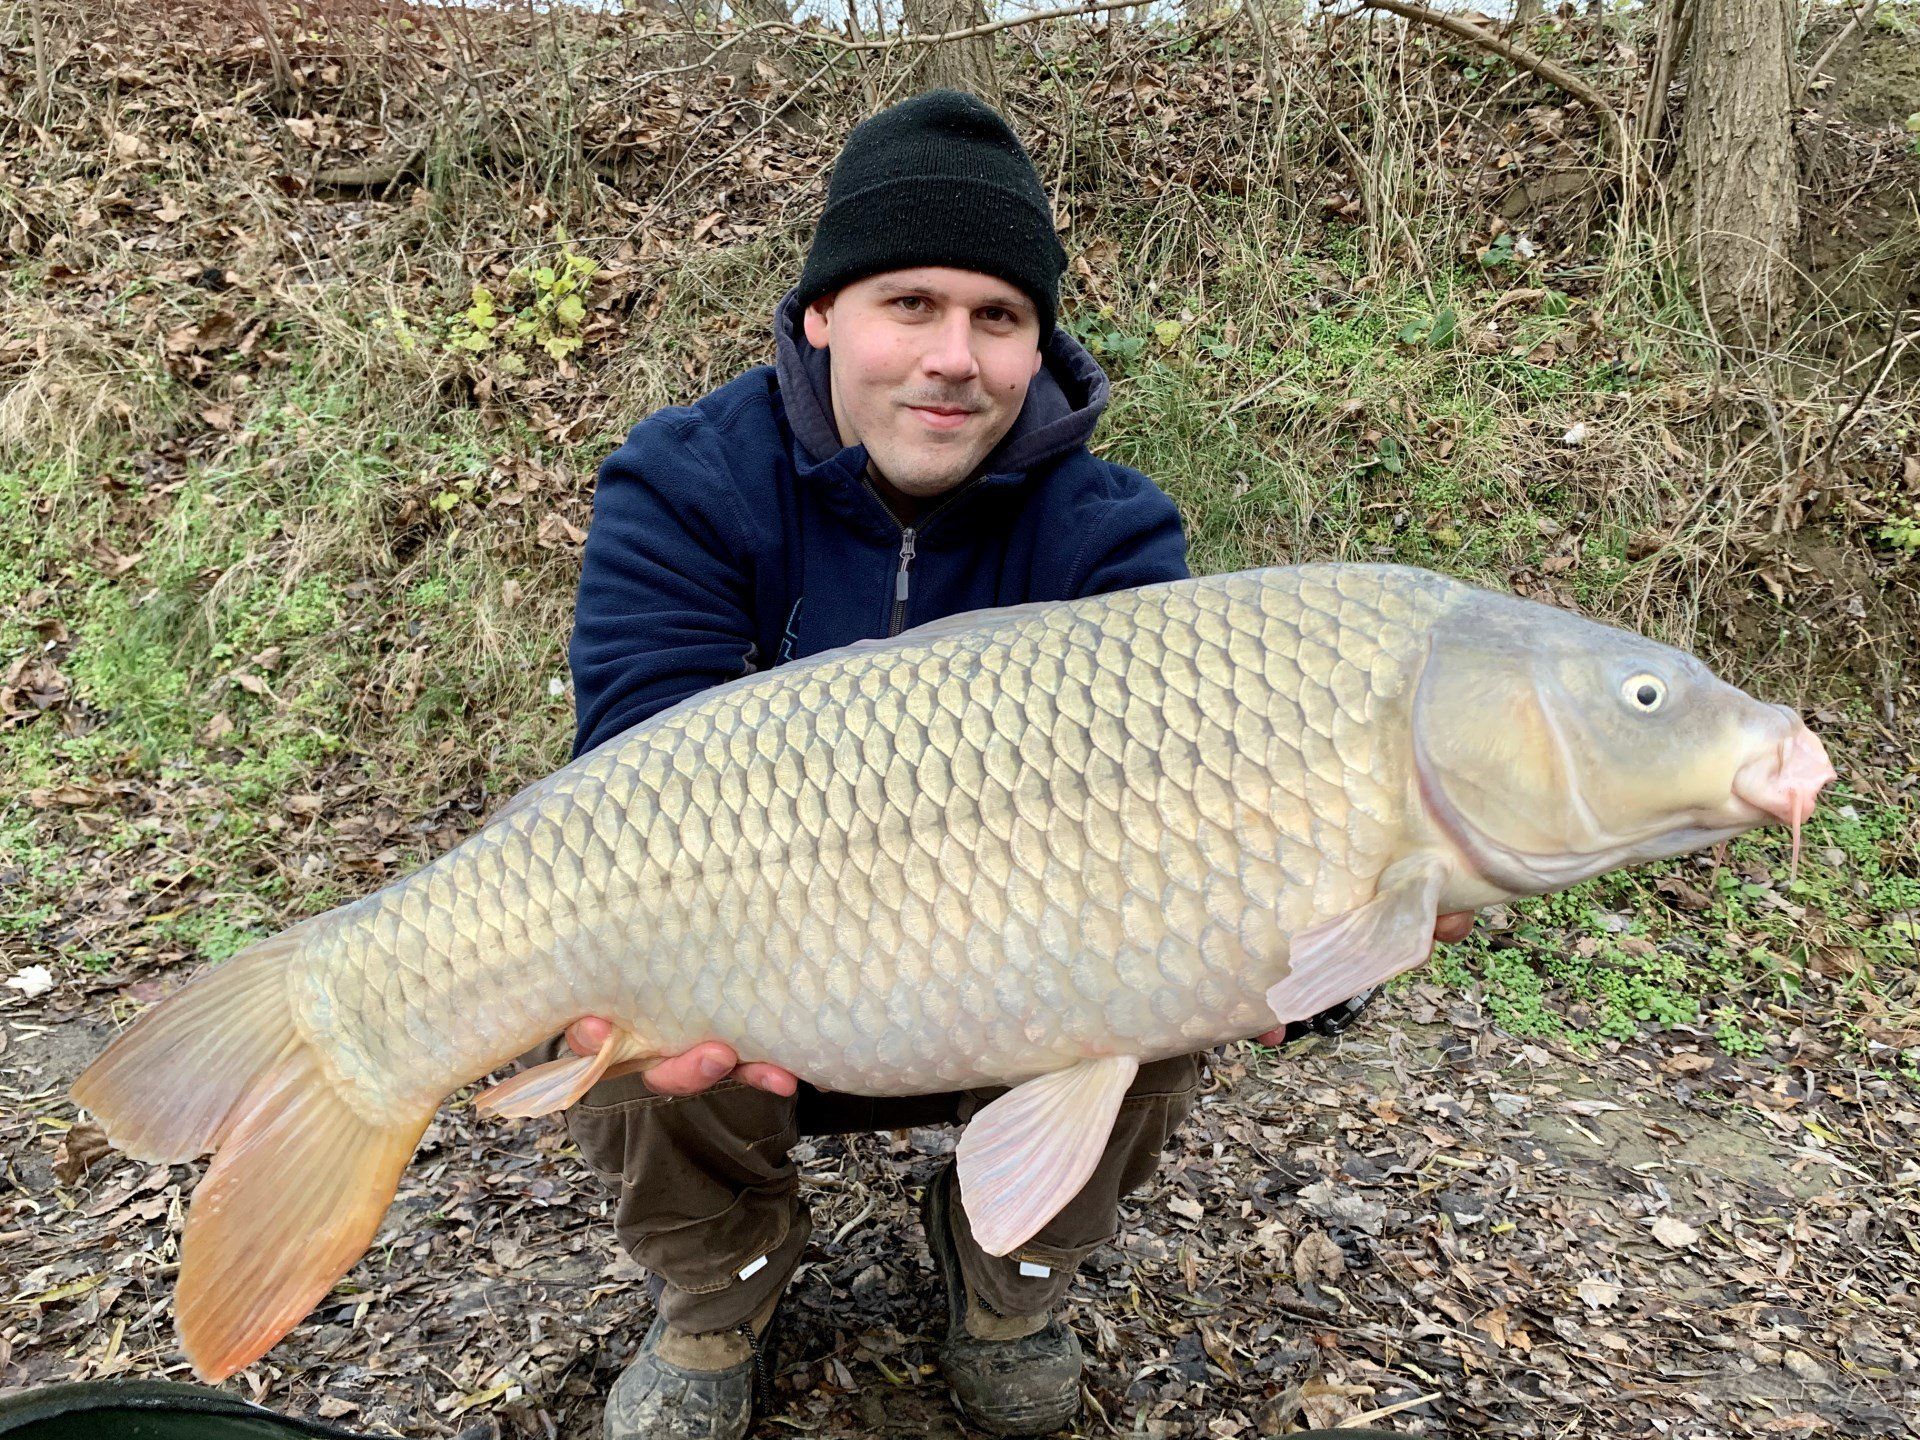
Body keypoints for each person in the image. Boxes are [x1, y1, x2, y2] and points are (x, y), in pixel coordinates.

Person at [549, 90, 1471, 1440]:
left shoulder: (1111, 533)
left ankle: (1009, 1276)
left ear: (1038, 346)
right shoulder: (687, 484)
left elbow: (1207, 833)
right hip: (765, 984)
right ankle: (717, 1292)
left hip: (1014, 980)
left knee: (1168, 985)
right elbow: (638, 773)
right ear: (821, 316)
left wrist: (1327, 955)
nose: (953, 357)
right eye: (908, 305)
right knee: (605, 979)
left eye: (998, 317)